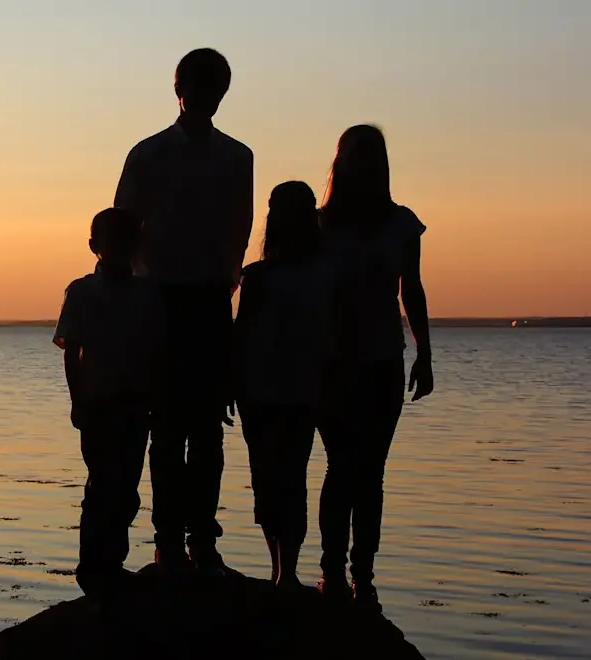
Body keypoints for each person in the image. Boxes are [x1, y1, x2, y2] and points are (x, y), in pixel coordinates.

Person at [114, 48, 254, 575]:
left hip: (212, 301)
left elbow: (240, 229)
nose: (204, 96)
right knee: (167, 429)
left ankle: (203, 539)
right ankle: (168, 537)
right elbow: (124, 228)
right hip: (159, 301)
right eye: (198, 85)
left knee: (209, 429)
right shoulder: (147, 155)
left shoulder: (239, 158)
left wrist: (228, 282)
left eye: (215, 87)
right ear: (179, 88)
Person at [316, 124, 434, 612]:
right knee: (341, 468)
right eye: (354, 156)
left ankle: (363, 576)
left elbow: (413, 290)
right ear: (340, 162)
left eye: (371, 157)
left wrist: (425, 353)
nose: (362, 165)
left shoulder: (402, 224)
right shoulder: (319, 225)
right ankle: (332, 572)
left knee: (371, 473)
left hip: (384, 360)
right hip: (331, 364)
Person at [53, 207, 165, 598]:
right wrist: (77, 401)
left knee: (127, 488)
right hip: (99, 403)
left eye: (126, 240)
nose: (119, 248)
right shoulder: (82, 291)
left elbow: (156, 350)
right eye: (112, 240)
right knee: (102, 485)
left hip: (135, 404)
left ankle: (112, 562)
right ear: (94, 246)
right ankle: (93, 567)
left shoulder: (148, 294)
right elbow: (71, 350)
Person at [234, 181, 336, 590]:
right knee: (269, 479)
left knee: (289, 476)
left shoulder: (325, 275)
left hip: (299, 390)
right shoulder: (257, 277)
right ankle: (281, 569)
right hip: (260, 391)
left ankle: (286, 571)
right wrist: (232, 382)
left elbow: (333, 335)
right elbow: (241, 334)